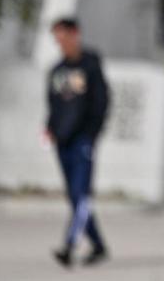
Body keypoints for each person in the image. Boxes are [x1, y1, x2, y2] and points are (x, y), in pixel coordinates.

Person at [46, 16, 110, 268]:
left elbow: (101, 103)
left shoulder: (91, 66)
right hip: (62, 142)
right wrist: (51, 129)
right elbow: (53, 104)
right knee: (74, 198)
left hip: (83, 140)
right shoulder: (57, 71)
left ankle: (69, 245)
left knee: (81, 195)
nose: (60, 43)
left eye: (63, 37)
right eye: (56, 39)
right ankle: (99, 245)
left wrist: (92, 135)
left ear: (75, 34)